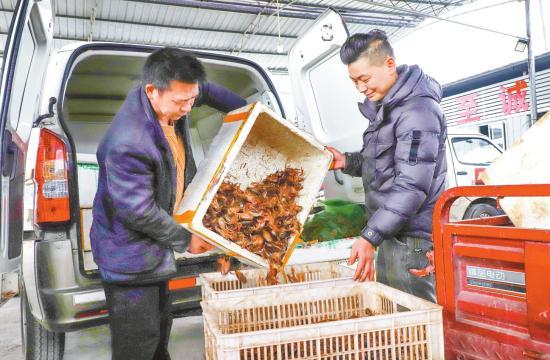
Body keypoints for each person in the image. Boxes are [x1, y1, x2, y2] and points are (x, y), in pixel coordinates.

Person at [90, 47, 247, 359]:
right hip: (129, 258)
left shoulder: (174, 95)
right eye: (180, 102)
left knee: (160, 330)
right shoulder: (128, 143)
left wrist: (246, 110)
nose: (188, 108)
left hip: (154, 251)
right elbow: (137, 210)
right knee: (138, 343)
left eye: (191, 99)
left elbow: (204, 93)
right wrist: (187, 239)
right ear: (152, 91)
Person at [327, 30, 446, 303]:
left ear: (389, 64)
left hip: (413, 241)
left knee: (414, 324)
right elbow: (385, 163)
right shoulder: (388, 108)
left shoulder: (418, 113)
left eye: (364, 79)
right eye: (354, 81)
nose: (360, 88)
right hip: (392, 234)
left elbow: (412, 186)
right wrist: (347, 161)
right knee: (395, 319)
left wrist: (370, 236)